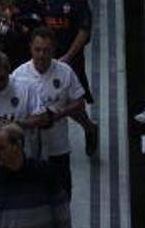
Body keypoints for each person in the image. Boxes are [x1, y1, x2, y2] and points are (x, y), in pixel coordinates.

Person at [13, 28, 97, 195]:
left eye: (46, 50)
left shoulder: (65, 72)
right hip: (29, 147)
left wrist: (55, 116)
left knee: (63, 190)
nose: (42, 55)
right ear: (31, 48)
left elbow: (78, 102)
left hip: (58, 145)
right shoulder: (18, 75)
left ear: (54, 50)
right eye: (38, 50)